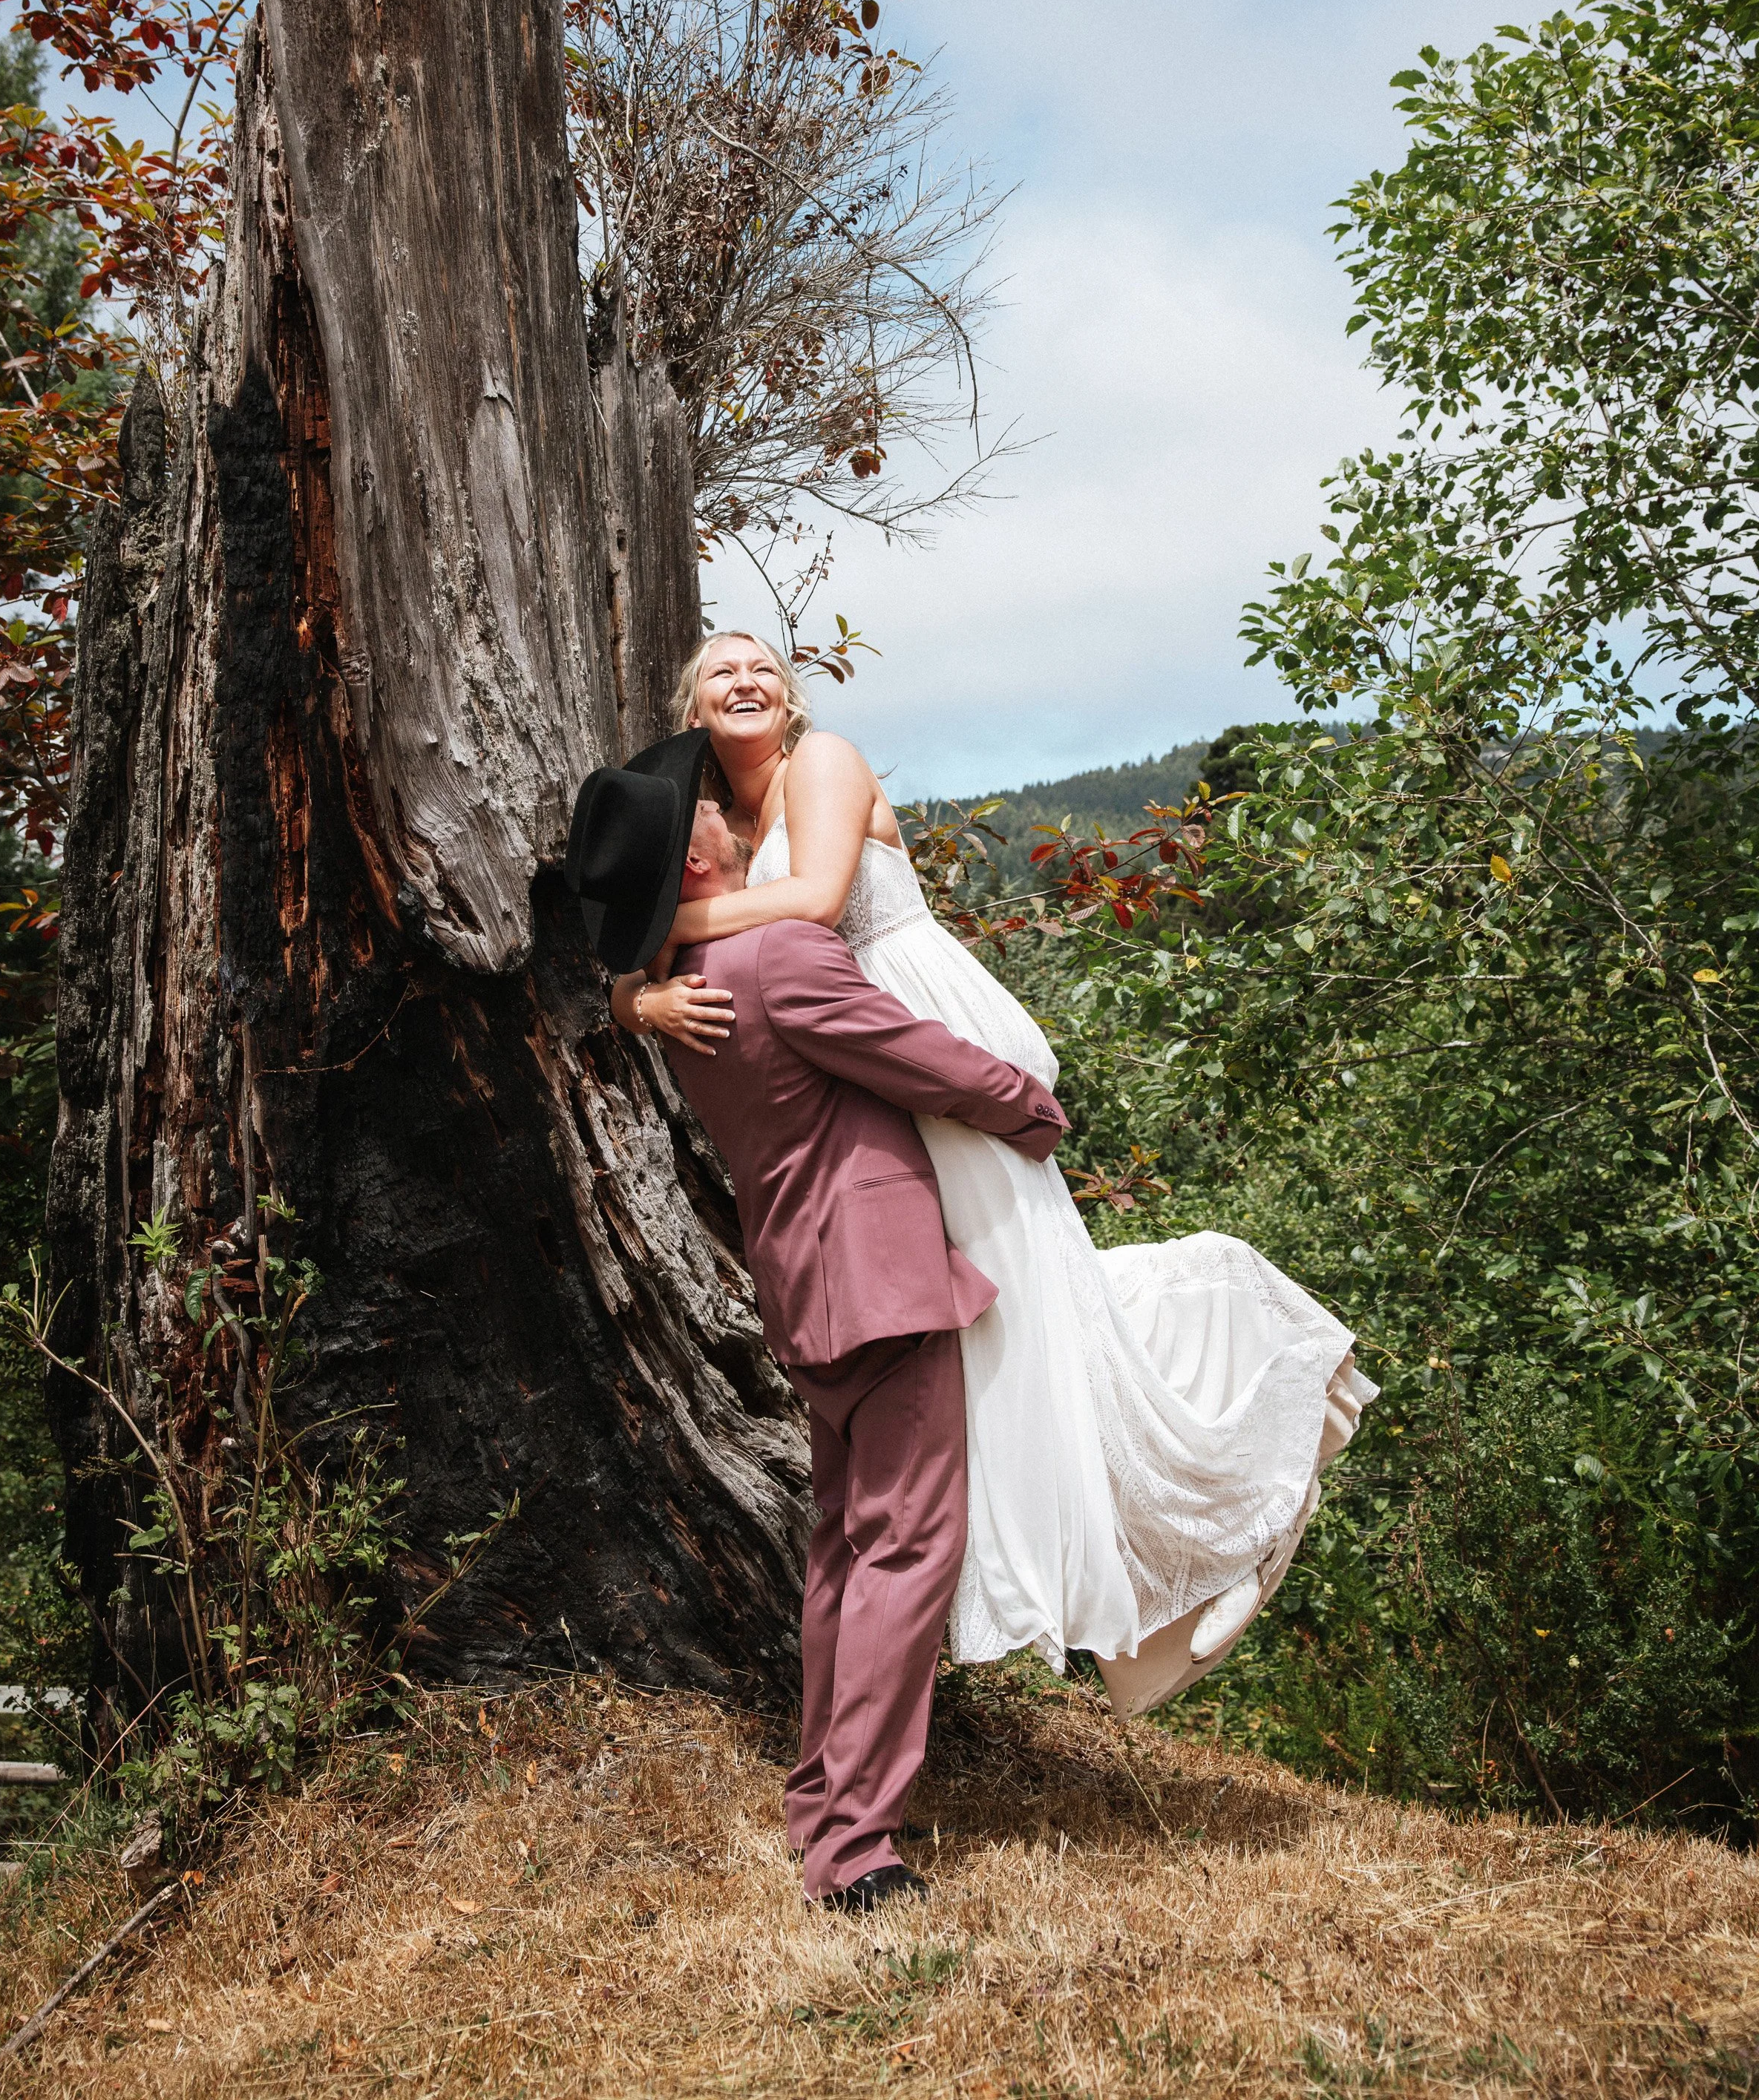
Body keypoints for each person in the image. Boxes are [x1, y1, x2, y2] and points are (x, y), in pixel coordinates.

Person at [612, 633, 1376, 1715]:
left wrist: (663, 931)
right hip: (843, 1068)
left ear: (788, 700)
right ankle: (1106, 1608)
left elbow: (820, 901)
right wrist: (635, 999)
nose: (745, 682)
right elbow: (633, 958)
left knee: (1025, 1308)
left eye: (764, 670)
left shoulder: (821, 765)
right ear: (693, 705)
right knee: (979, 1344)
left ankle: (1201, 1511)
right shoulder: (718, 826)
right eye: (720, 672)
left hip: (911, 1030)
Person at [569, 730, 1068, 1910]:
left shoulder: (686, 998)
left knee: (847, 1548)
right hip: (879, 1276)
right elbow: (913, 1056)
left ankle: (819, 1801)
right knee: (906, 1547)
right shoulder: (783, 956)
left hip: (805, 1284)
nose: (722, 815)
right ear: (695, 857)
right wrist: (1029, 1106)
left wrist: (633, 987)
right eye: (701, 815)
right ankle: (856, 1849)